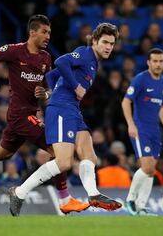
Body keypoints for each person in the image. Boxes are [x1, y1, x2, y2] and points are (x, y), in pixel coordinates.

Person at [0, 14, 89, 214]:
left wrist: (45, 92)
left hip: (29, 113)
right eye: (44, 32)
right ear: (32, 32)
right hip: (20, 114)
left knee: (2, 152)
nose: (48, 36)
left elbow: (49, 86)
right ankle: (65, 199)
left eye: (50, 33)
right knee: (58, 152)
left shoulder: (46, 58)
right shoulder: (15, 51)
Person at [8, 22, 122, 216]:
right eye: (105, 42)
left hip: (72, 110)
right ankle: (20, 192)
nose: (108, 47)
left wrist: (51, 91)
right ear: (95, 41)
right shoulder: (86, 53)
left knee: (90, 155)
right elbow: (60, 62)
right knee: (64, 162)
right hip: (61, 109)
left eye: (111, 43)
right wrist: (75, 86)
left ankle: (93, 194)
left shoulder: (93, 61)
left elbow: (52, 74)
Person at [121, 48, 163, 216]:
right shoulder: (140, 79)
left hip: (155, 131)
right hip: (140, 128)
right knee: (147, 167)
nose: (158, 64)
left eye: (161, 61)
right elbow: (126, 102)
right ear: (148, 62)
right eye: (155, 61)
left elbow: (162, 106)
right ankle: (130, 200)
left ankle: (141, 206)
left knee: (151, 170)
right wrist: (131, 124)